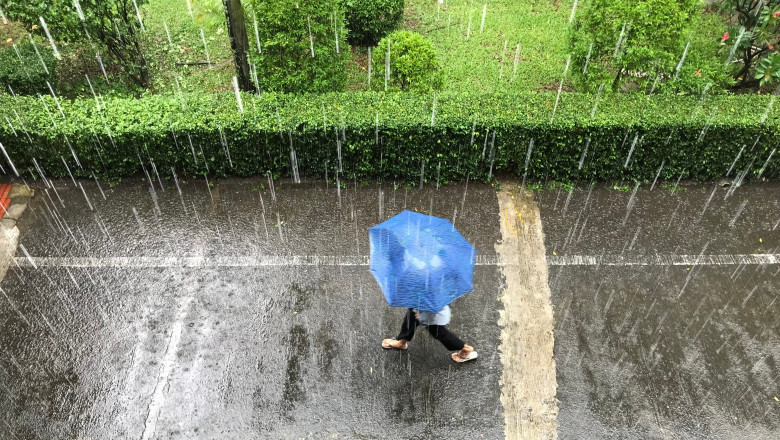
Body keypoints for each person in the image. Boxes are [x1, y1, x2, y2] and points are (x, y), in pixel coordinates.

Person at [381, 305, 478, 363]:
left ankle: (466, 349)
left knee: (435, 329)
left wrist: (423, 312)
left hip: (430, 302)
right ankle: (402, 341)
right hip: (423, 296)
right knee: (412, 315)